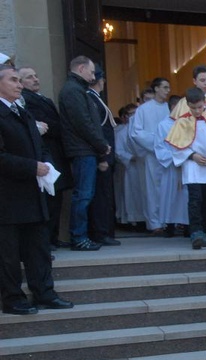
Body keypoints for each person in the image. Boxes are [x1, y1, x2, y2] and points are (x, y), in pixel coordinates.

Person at [0, 64, 74, 315]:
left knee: (39, 248)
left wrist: (46, 164)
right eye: (13, 80)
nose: (19, 84)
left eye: (19, 80)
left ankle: (45, 293)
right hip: (8, 198)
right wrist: (32, 166)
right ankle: (12, 299)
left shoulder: (22, 112)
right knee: (9, 253)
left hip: (34, 194)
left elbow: (38, 144)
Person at [58, 55, 111, 251]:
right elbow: (83, 123)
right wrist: (101, 145)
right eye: (90, 71)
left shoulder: (77, 89)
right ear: (81, 69)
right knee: (83, 195)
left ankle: (81, 235)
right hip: (82, 150)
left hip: (85, 148)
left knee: (85, 195)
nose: (93, 75)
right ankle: (79, 237)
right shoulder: (73, 91)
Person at [18, 66, 74, 250]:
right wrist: (61, 128)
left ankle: (53, 236)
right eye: (29, 77)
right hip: (46, 153)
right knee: (49, 198)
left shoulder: (42, 98)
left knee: (56, 198)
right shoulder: (26, 100)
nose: (35, 79)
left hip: (56, 153)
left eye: (36, 75)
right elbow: (47, 125)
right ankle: (46, 240)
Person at [166, 88, 206, 250]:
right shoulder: (182, 122)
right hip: (192, 166)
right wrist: (192, 156)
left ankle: (205, 231)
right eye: (193, 108)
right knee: (195, 200)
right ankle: (196, 232)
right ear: (187, 105)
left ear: (204, 103)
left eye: (199, 107)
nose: (197, 111)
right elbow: (177, 146)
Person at [129, 77, 171, 235]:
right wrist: (157, 144)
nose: (167, 90)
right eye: (165, 87)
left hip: (170, 155)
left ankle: (169, 220)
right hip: (152, 155)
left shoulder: (170, 108)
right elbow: (137, 132)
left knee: (169, 187)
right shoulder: (144, 109)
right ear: (156, 89)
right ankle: (155, 223)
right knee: (153, 189)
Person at [87, 66, 119, 246]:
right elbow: (97, 130)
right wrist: (102, 157)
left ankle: (105, 230)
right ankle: (101, 232)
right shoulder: (91, 98)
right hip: (103, 155)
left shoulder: (96, 99)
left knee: (105, 195)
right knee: (101, 196)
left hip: (107, 154)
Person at [154, 95, 189, 236]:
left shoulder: (188, 123)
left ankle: (188, 225)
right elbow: (159, 147)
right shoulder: (163, 125)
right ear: (173, 107)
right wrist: (176, 157)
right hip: (171, 167)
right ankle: (169, 224)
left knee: (185, 197)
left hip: (187, 166)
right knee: (170, 196)